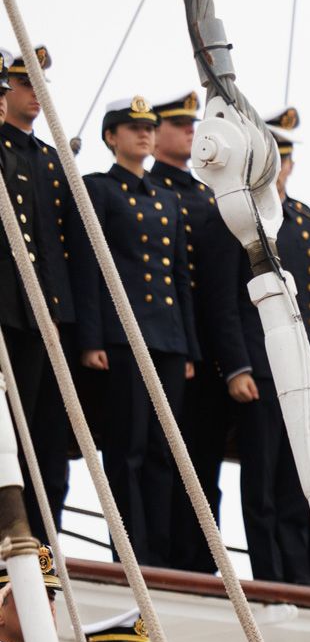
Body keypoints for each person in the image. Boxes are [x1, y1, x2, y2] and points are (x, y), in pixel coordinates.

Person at [75, 98, 200, 566]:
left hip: (167, 339)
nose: (144, 135)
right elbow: (89, 269)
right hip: (123, 337)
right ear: (111, 136)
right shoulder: (99, 190)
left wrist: (187, 345)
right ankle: (130, 551)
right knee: (126, 449)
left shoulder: (166, 198)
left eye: (149, 128)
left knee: (163, 451)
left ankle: (160, 554)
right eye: (132, 128)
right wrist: (91, 339)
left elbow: (179, 277)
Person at [226, 107, 310, 585]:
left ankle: (303, 576)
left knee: (302, 480)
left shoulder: (305, 221)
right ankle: (270, 575)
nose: (281, 168)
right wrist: (236, 366)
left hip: (303, 364)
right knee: (264, 480)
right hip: (260, 360)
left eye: (285, 159)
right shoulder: (235, 215)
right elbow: (224, 300)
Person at [147, 90, 248, 574]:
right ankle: (159, 553)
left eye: (193, 125)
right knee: (158, 456)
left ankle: (202, 556)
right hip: (164, 341)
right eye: (179, 124)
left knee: (204, 462)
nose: (191, 132)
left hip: (209, 352)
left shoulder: (206, 197)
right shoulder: (146, 193)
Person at [0, 47, 88, 541]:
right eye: (24, 83)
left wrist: (64, 317)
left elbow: (61, 249)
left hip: (46, 317)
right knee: (10, 430)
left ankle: (43, 534)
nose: (35, 93)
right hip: (9, 311)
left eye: (39, 85)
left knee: (45, 437)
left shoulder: (52, 163)